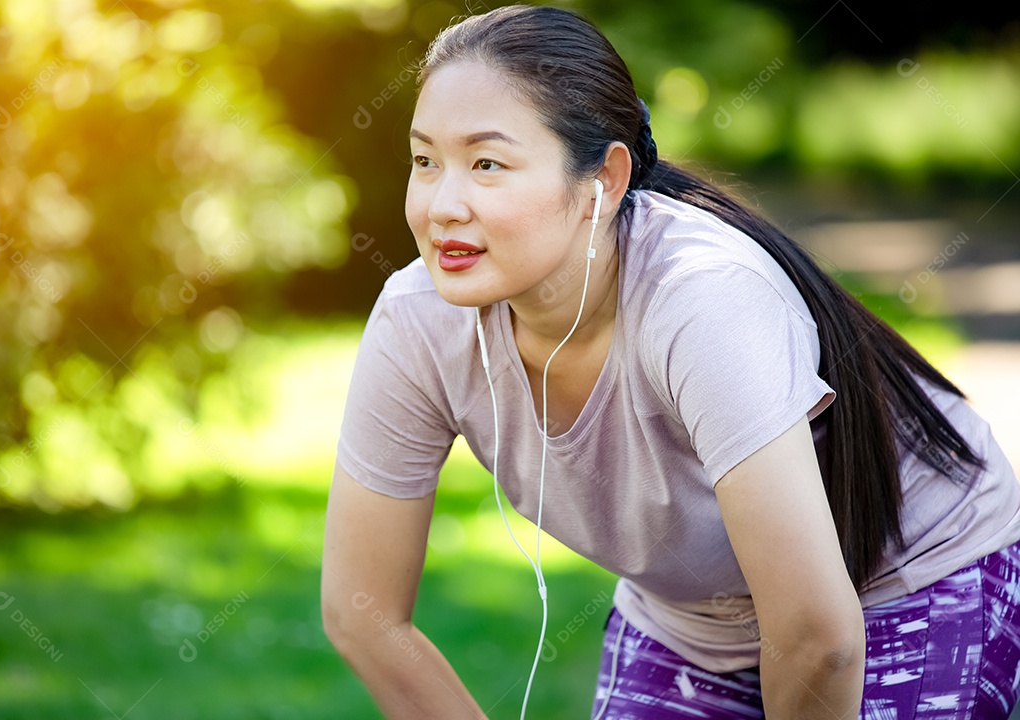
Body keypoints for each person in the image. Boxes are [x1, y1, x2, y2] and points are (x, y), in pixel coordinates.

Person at [320, 5, 1020, 719]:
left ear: (604, 181)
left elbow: (816, 634)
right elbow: (361, 612)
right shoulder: (418, 322)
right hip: (692, 621)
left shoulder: (700, 300)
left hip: (918, 578)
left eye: (487, 164)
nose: (442, 205)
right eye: (425, 161)